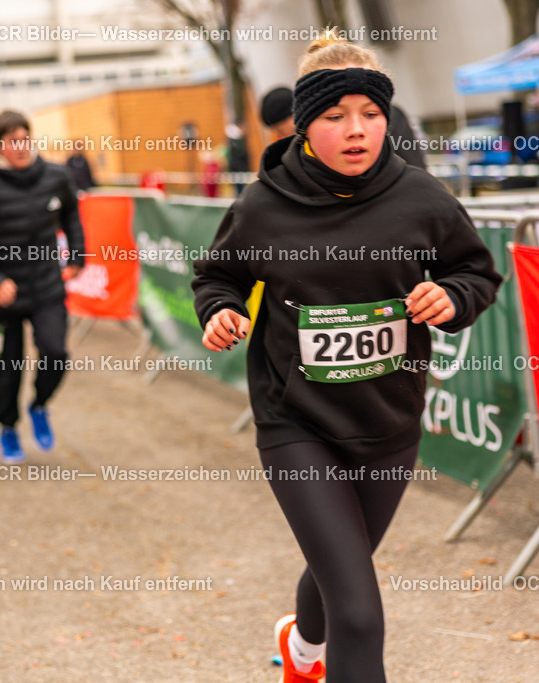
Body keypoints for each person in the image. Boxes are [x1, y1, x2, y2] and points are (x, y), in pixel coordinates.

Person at [192, 32, 501, 682]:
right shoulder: (262, 206)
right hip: (296, 423)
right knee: (358, 612)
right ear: (305, 126)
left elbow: (475, 272)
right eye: (335, 116)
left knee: (340, 571)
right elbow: (217, 277)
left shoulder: (421, 198)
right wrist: (220, 312)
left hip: (388, 423)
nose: (356, 130)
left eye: (371, 113)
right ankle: (319, 650)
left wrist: (451, 296)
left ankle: (300, 649)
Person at [0, 110, 85, 463]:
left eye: (25, 138)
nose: (21, 147)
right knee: (9, 368)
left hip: (46, 288)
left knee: (56, 355)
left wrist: (76, 255)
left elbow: (72, 213)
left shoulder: (55, 176)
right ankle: (8, 428)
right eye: (13, 141)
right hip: (2, 299)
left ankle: (40, 405)